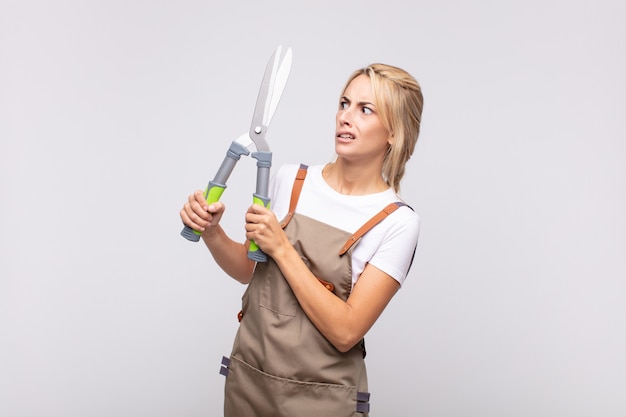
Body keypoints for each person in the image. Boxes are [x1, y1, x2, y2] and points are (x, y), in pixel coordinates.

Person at [180, 63, 424, 417]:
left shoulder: (397, 222)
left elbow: (346, 331)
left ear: (394, 132)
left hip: (322, 402)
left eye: (365, 109)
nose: (345, 117)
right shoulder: (290, 179)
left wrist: (281, 247)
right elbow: (251, 271)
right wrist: (212, 231)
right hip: (250, 383)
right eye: (344, 103)